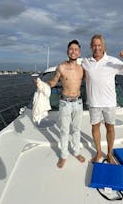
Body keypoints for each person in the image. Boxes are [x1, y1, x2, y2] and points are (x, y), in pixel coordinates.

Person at [82, 34, 123, 163]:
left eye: (99, 45)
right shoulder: (85, 62)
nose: (97, 48)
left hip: (109, 103)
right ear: (90, 47)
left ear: (103, 46)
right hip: (94, 102)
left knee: (110, 128)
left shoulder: (112, 61)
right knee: (95, 128)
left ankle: (109, 154)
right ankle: (99, 152)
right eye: (94, 45)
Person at [35, 40, 85, 168]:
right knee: (64, 131)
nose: (73, 51)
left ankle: (76, 151)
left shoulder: (81, 69)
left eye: (76, 49)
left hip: (78, 103)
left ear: (79, 52)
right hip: (65, 103)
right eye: (71, 49)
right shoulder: (61, 67)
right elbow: (54, 81)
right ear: (67, 51)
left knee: (76, 130)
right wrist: (44, 85)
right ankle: (64, 155)